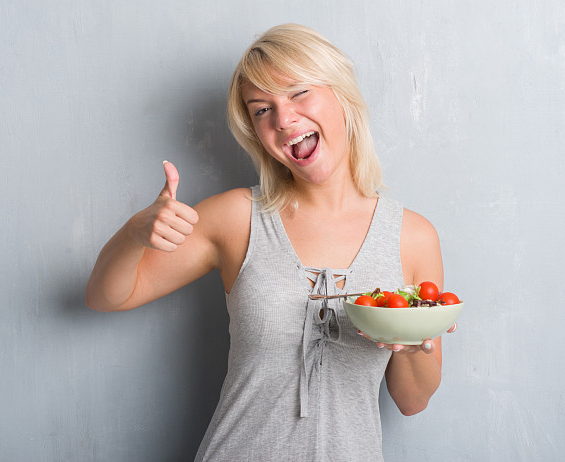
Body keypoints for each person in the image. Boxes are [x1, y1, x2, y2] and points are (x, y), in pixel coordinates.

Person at [86, 23, 455, 461]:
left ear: (341, 94)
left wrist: (415, 345)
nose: (283, 119)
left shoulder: (412, 236)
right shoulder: (236, 217)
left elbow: (413, 402)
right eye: (261, 110)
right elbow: (106, 297)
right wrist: (133, 234)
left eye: (298, 92)